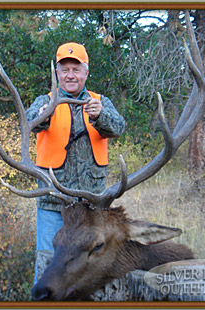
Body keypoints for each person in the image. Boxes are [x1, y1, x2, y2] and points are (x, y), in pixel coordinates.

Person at [26, 42, 125, 283]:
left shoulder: (100, 101)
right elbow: (29, 122)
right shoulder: (45, 100)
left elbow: (119, 127)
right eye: (65, 69)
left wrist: (100, 115)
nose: (71, 75)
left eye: (76, 69)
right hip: (53, 203)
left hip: (91, 205)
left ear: (86, 72)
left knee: (89, 269)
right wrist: (44, 114)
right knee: (48, 265)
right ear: (57, 73)